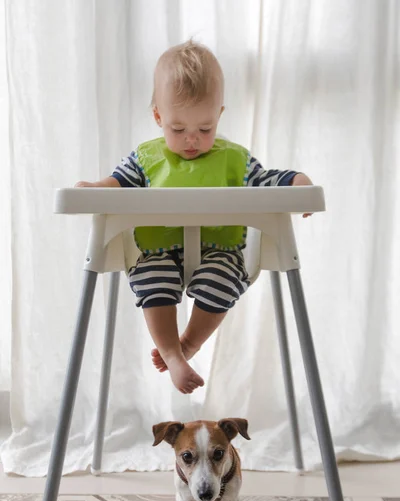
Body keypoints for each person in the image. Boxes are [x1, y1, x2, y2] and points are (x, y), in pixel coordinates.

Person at [76, 40, 313, 394]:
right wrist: (95, 188)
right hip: (157, 252)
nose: (192, 139)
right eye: (177, 128)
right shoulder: (145, 158)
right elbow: (117, 183)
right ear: (158, 116)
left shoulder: (235, 159)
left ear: (219, 114)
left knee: (220, 281)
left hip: (222, 251)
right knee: (153, 280)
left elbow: (266, 180)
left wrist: (297, 182)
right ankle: (172, 355)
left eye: (205, 129)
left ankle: (189, 343)